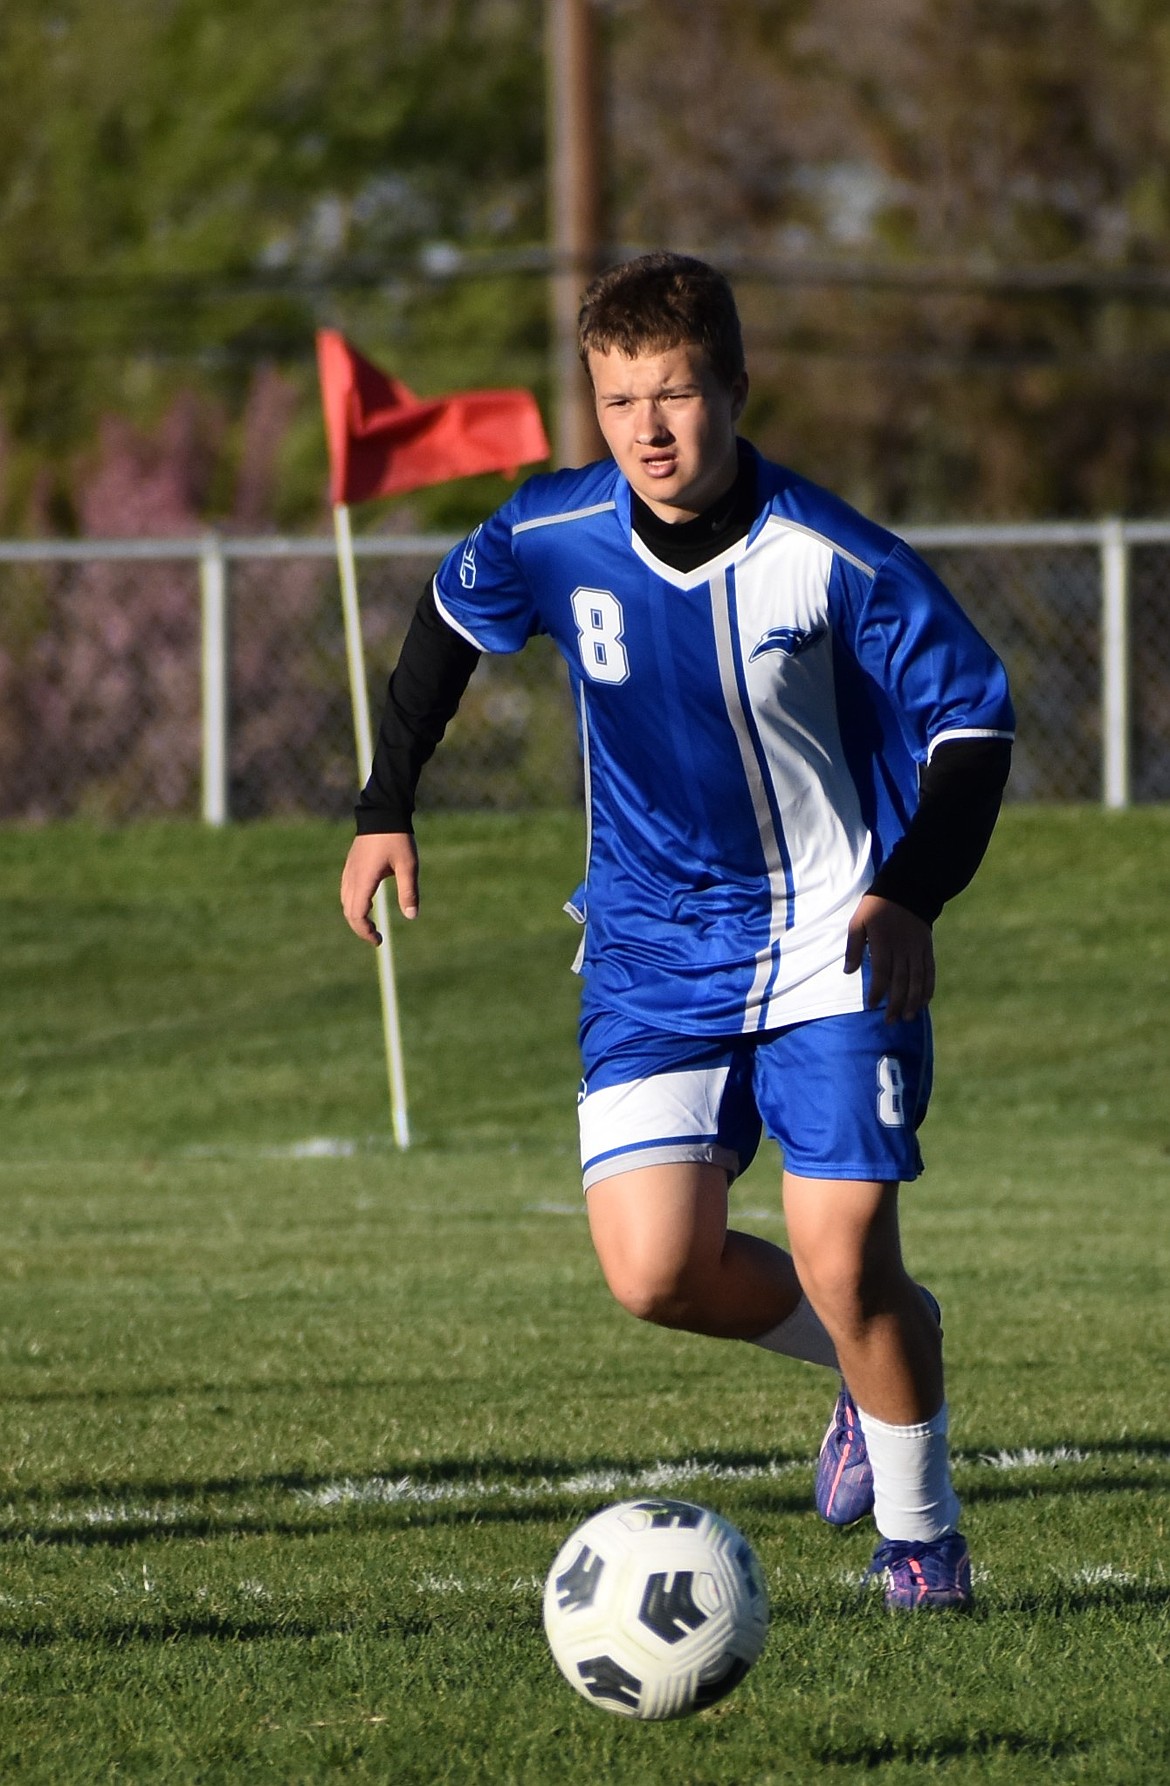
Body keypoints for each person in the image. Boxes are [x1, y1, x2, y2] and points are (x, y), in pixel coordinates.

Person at [340, 252, 1013, 1610]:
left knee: (842, 1251)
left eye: (678, 394)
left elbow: (973, 723)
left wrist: (913, 888)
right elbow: (444, 625)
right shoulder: (552, 531)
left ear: (736, 389)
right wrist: (382, 805)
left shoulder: (833, 555)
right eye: (618, 398)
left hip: (833, 939)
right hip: (651, 946)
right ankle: (859, 1368)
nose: (648, 428)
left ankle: (921, 1546)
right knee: (653, 1268)